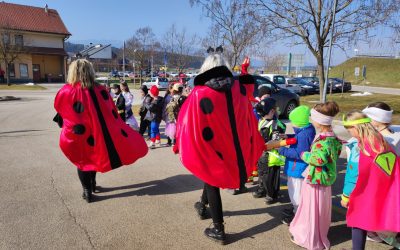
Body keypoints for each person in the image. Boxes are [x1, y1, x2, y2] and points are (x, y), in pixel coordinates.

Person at [174, 53, 265, 244]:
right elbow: (249, 93)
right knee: (210, 178)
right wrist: (245, 72)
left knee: (211, 179)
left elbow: (186, 121)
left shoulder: (199, 92)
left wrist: (179, 142)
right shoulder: (238, 88)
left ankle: (218, 229)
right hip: (233, 147)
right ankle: (202, 205)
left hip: (212, 146)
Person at [53, 59, 148, 203]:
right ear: (90, 72)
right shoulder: (101, 89)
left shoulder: (67, 90)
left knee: (83, 161)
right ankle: (92, 185)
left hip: (79, 135)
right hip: (98, 134)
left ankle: (87, 190)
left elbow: (61, 111)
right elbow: (112, 113)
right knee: (93, 157)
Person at [342, 111, 400, 250]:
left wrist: (346, 196)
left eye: (349, 130)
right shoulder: (379, 140)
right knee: (368, 221)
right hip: (378, 190)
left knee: (357, 222)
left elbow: (353, 175)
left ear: (356, 128)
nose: (349, 133)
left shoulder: (360, 147)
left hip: (363, 193)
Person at [289, 101, 342, 250]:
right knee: (321, 209)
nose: (311, 120)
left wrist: (304, 154)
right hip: (326, 179)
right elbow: (335, 154)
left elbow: (318, 159)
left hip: (316, 179)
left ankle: (310, 238)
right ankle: (319, 233)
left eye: (312, 118)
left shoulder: (322, 140)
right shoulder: (332, 136)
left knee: (312, 209)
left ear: (319, 121)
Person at [279, 105, 316, 225]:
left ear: (299, 123)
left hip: (297, 169)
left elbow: (299, 153)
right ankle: (297, 210)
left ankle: (298, 215)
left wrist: (282, 150)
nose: (292, 125)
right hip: (298, 168)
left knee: (296, 192)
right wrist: (289, 137)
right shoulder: (307, 129)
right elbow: (298, 139)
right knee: (297, 192)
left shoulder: (304, 135)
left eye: (293, 122)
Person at [252, 97, 286, 204]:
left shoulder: (276, 124)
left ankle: (272, 194)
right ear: (272, 110)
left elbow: (275, 142)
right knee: (262, 174)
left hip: (272, 155)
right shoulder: (261, 121)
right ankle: (262, 189)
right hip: (261, 153)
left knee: (271, 177)